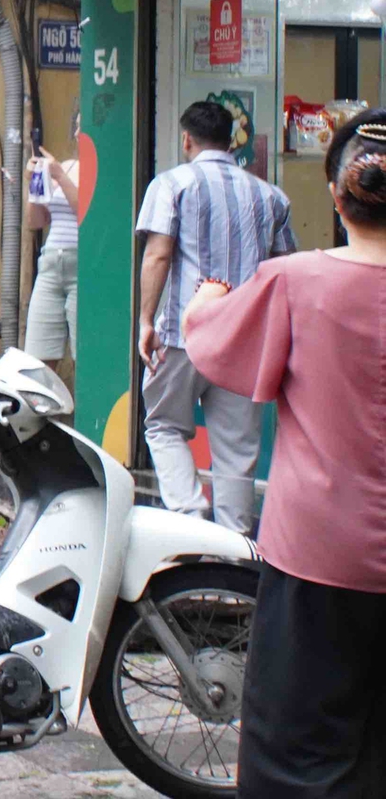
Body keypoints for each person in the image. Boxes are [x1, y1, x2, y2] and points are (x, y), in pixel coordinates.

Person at [182, 109, 386, 796]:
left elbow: (214, 344)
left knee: (297, 753)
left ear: (334, 194)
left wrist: (207, 299)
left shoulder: (296, 281)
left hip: (317, 552)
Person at [136, 99, 295, 534]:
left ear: (186, 139)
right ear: (232, 142)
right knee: (237, 451)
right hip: (244, 343)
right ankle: (233, 553)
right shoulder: (270, 196)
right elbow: (285, 270)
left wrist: (146, 321)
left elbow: (158, 254)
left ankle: (190, 522)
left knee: (164, 426)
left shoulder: (170, 185)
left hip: (181, 335)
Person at [24, 111, 84, 367]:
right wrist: (34, 182)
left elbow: (88, 213)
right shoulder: (68, 165)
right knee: (39, 355)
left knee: (85, 354)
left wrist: (59, 176)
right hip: (51, 262)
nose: (77, 134)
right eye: (77, 126)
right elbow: (36, 222)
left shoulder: (102, 172)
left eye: (84, 127)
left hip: (83, 264)